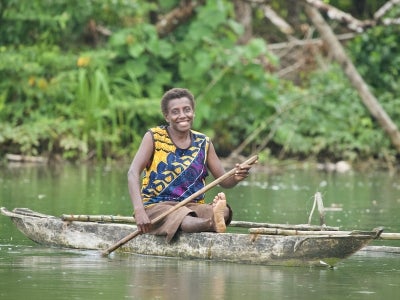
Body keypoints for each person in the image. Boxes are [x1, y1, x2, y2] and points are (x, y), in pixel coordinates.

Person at [127, 88, 254, 242]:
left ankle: (212, 220)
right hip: (157, 208)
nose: (182, 115)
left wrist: (236, 176)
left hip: (193, 206)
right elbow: (133, 173)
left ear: (193, 112)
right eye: (175, 112)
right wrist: (139, 210)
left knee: (225, 212)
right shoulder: (154, 137)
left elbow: (225, 181)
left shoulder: (203, 142)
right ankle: (211, 223)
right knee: (183, 218)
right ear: (167, 117)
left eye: (187, 110)